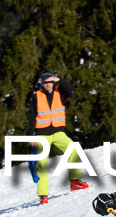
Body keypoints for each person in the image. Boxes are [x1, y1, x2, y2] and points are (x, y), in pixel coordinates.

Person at [28, 72, 89, 204]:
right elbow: (32, 116)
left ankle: (75, 181)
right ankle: (43, 196)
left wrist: (58, 79)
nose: (48, 84)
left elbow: (72, 90)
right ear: (42, 84)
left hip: (58, 133)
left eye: (50, 82)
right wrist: (31, 134)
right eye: (45, 82)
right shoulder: (36, 96)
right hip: (42, 134)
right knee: (41, 164)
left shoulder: (59, 93)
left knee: (74, 150)